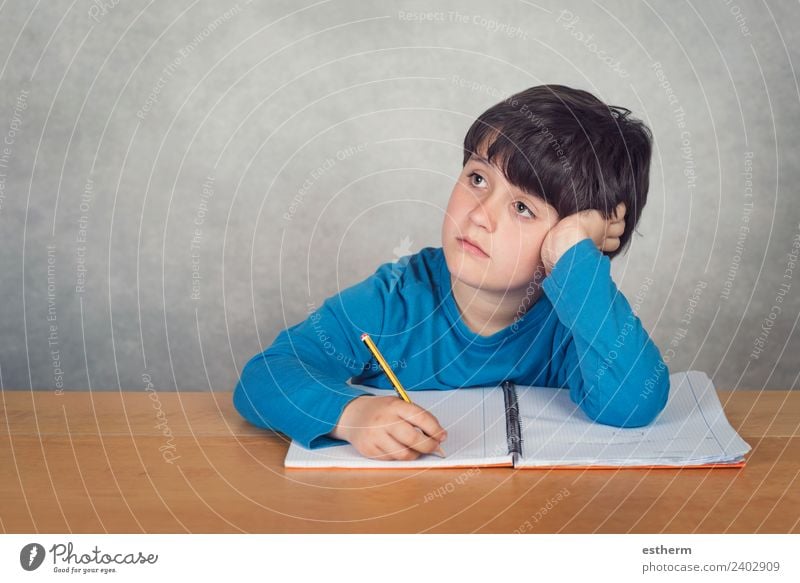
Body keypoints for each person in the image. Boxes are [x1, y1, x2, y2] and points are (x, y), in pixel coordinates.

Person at [233, 84, 669, 461]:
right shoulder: (394, 300)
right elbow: (264, 377)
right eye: (478, 179)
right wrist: (351, 416)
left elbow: (633, 403)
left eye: (522, 208)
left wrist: (576, 255)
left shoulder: (571, 323)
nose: (480, 215)